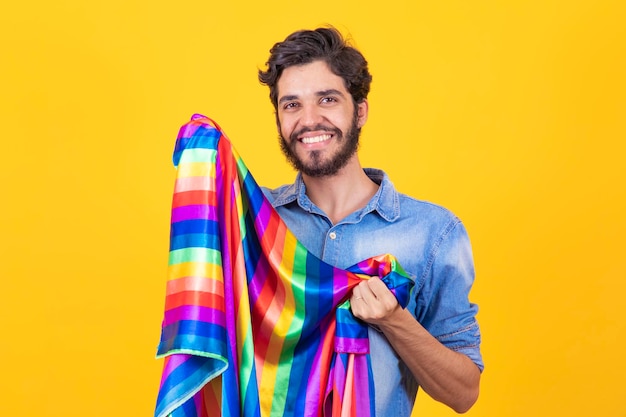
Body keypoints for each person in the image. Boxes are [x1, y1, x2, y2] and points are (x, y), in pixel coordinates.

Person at [258, 27, 483, 416]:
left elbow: (463, 393)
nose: (309, 120)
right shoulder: (254, 223)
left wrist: (395, 321)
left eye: (327, 99)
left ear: (360, 110)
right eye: (291, 105)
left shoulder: (434, 232)